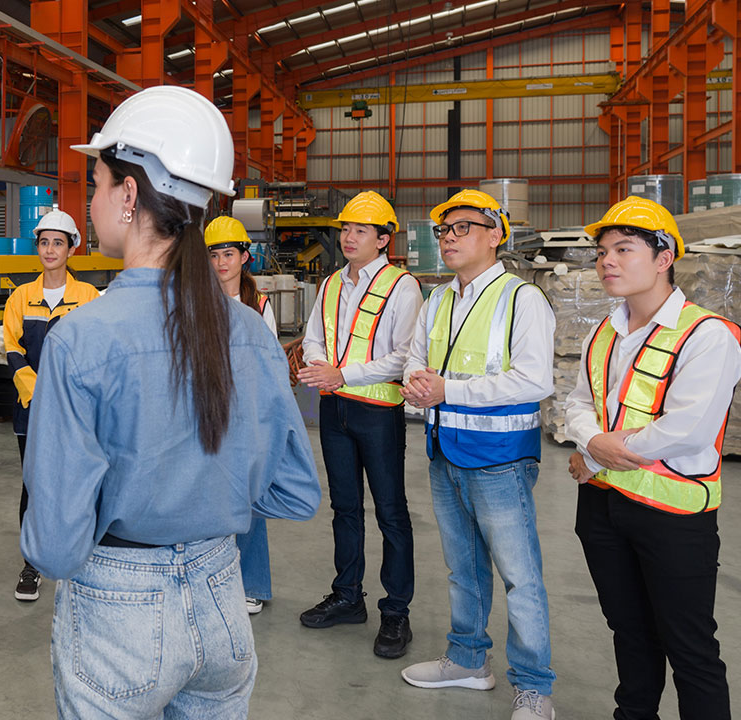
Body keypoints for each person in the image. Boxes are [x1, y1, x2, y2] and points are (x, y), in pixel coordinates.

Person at [20, 84, 321, 719]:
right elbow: (294, 491)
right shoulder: (245, 329)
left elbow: (52, 546)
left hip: (118, 607)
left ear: (129, 197)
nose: (93, 200)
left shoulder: (81, 338)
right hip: (221, 599)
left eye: (97, 182)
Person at [563, 197, 738, 720]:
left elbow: (688, 429)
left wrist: (598, 452)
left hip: (673, 518)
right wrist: (592, 444)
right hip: (602, 510)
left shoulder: (706, 334)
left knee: (689, 648)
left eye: (623, 249)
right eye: (601, 252)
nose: (607, 261)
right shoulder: (604, 332)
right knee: (630, 633)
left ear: (664, 258)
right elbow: (576, 403)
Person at [398, 189, 557, 720]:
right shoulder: (439, 299)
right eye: (443, 230)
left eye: (462, 228)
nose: (447, 237)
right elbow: (416, 360)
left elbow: (534, 380)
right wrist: (416, 385)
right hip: (444, 448)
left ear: (495, 235)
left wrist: (447, 391)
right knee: (462, 567)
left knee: (519, 576)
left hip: (500, 457)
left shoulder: (521, 298)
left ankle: (534, 687)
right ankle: (467, 660)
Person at [296, 190, 420, 659]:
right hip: (335, 411)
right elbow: (312, 338)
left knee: (391, 513)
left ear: (383, 239)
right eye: (346, 229)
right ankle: (348, 596)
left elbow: (403, 357)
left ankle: (396, 612)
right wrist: (317, 363)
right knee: (345, 509)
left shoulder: (400, 285)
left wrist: (342, 373)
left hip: (378, 412)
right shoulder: (330, 284)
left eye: (360, 230)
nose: (349, 237)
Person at [2, 206, 99, 601]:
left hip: (76, 411)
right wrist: (36, 389)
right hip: (31, 410)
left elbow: (94, 353)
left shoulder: (88, 298)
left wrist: (67, 395)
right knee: (35, 485)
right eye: (44, 242)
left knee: (78, 482)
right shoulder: (21, 298)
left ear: (71, 249)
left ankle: (79, 556)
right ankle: (33, 562)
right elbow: (11, 348)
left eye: (58, 242)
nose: (50, 249)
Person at [204, 214, 276, 615]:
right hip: (207, 410)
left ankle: (252, 583)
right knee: (207, 499)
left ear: (245, 256)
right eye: (213, 255)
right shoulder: (195, 300)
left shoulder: (258, 304)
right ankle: (210, 578)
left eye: (228, 254)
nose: (220, 263)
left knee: (249, 502)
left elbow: (267, 365)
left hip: (245, 414)